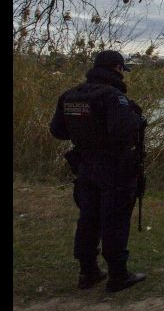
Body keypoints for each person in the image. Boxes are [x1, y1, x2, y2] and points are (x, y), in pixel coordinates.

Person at [49, 50, 147, 292]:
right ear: (116, 68)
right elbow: (122, 134)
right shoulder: (114, 98)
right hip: (115, 168)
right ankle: (118, 275)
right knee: (115, 220)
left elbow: (58, 132)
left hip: (84, 166)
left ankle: (88, 272)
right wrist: (136, 120)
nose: (123, 74)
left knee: (89, 218)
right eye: (122, 69)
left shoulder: (70, 96)